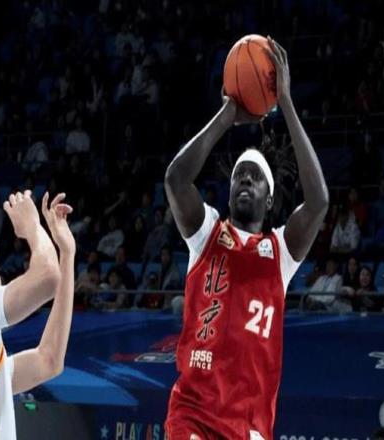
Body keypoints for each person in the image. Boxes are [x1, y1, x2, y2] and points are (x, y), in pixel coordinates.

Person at [164, 37, 328, 440]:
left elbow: (319, 201)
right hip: (193, 412)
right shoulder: (206, 234)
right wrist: (226, 116)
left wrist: (285, 102)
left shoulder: (280, 253)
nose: (245, 181)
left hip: (248, 426)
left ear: (269, 199)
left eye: (255, 178)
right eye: (239, 176)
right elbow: (176, 179)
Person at [0, 190, 75, 439]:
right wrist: (32, 226)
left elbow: (49, 360)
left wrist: (66, 254)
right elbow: (47, 277)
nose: (2, 280)